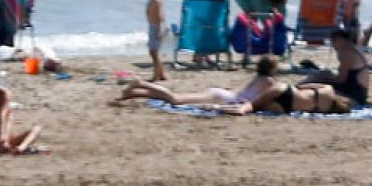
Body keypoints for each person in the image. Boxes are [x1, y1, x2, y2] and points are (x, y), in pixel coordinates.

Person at [118, 56, 352, 115]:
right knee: (175, 99)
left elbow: (308, 84)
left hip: (223, 94)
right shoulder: (270, 83)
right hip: (223, 98)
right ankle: (138, 86)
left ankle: (136, 91)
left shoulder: (326, 90)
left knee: (176, 98)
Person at [0, 70, 42, 153]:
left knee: (37, 129)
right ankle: (5, 144)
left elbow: (4, 113)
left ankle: (21, 148)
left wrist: (3, 135)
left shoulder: (2, 94)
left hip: (6, 131)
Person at [298, 29, 370, 107]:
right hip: (357, 94)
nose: (333, 45)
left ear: (340, 40)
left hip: (353, 97)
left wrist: (325, 76)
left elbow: (340, 80)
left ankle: (295, 93)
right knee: (315, 79)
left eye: (333, 42)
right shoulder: (354, 50)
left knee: (313, 81)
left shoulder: (347, 53)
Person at [142, 0, 167, 82]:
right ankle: (161, 74)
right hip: (152, 26)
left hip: (156, 27)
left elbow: (161, 15)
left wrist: (161, 29)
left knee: (153, 52)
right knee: (155, 52)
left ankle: (155, 75)